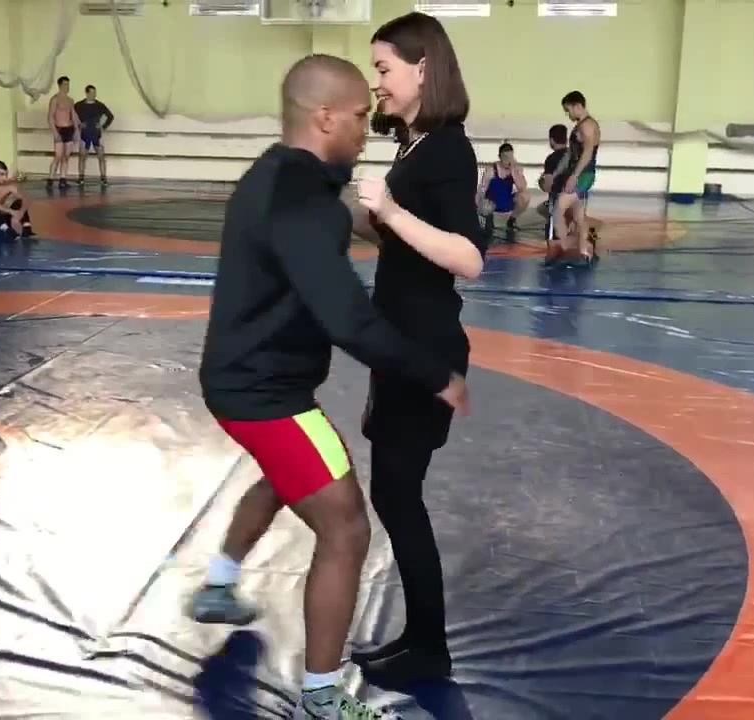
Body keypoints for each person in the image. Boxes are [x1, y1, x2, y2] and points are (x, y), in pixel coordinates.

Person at [191, 53, 469, 720]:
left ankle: (220, 585)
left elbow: (321, 233)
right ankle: (321, 698)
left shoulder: (273, 172)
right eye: (357, 118)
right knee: (345, 525)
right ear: (324, 118)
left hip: (239, 381)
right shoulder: (304, 204)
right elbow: (348, 319)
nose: (365, 131)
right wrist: (436, 375)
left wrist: (391, 221)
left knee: (287, 477)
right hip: (266, 396)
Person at [346, 11, 488, 685]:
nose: (376, 82)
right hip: (401, 349)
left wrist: (391, 210)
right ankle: (423, 640)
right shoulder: (414, 147)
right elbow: (401, 243)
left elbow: (469, 258)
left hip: (424, 352)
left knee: (399, 496)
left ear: (422, 68)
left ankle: (430, 647)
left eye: (383, 68)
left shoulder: (448, 149)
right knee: (394, 493)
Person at [551, 90, 601, 266]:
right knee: (579, 216)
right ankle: (585, 252)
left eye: (568, 110)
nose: (568, 114)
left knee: (558, 210)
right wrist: (556, 174)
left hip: (583, 174)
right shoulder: (581, 126)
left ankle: (565, 250)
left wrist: (574, 176)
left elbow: (587, 153)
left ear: (577, 106)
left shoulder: (587, 126)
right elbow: (569, 154)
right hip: (581, 173)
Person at [477, 141, 529, 243]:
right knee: (484, 204)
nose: (508, 161)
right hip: (493, 202)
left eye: (510, 158)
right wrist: (479, 205)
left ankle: (512, 220)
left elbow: (522, 188)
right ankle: (488, 222)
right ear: (500, 157)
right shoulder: (491, 170)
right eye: (505, 158)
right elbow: (482, 189)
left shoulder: (516, 169)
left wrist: (514, 173)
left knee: (525, 197)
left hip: (507, 200)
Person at [538, 123, 569, 263]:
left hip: (557, 198)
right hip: (574, 198)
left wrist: (541, 181)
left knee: (553, 229)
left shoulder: (552, 159)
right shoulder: (574, 156)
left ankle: (552, 257)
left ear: (551, 140)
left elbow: (547, 186)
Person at [75, 84, 114, 187]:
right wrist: (78, 124)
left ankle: (103, 178)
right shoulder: (79, 105)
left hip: (96, 134)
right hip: (84, 134)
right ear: (87, 93)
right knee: (82, 157)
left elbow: (110, 116)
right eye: (92, 93)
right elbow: (72, 116)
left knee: (101, 157)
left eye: (95, 93)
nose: (94, 95)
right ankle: (81, 178)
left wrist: (103, 126)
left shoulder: (99, 105)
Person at [46, 76, 79, 191]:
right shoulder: (55, 99)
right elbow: (50, 117)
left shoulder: (70, 100)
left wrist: (76, 130)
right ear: (60, 85)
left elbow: (73, 116)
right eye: (65, 84)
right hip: (59, 129)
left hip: (69, 129)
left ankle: (63, 179)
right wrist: (55, 132)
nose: (67, 87)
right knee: (58, 156)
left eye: (68, 84)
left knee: (66, 156)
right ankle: (50, 179)